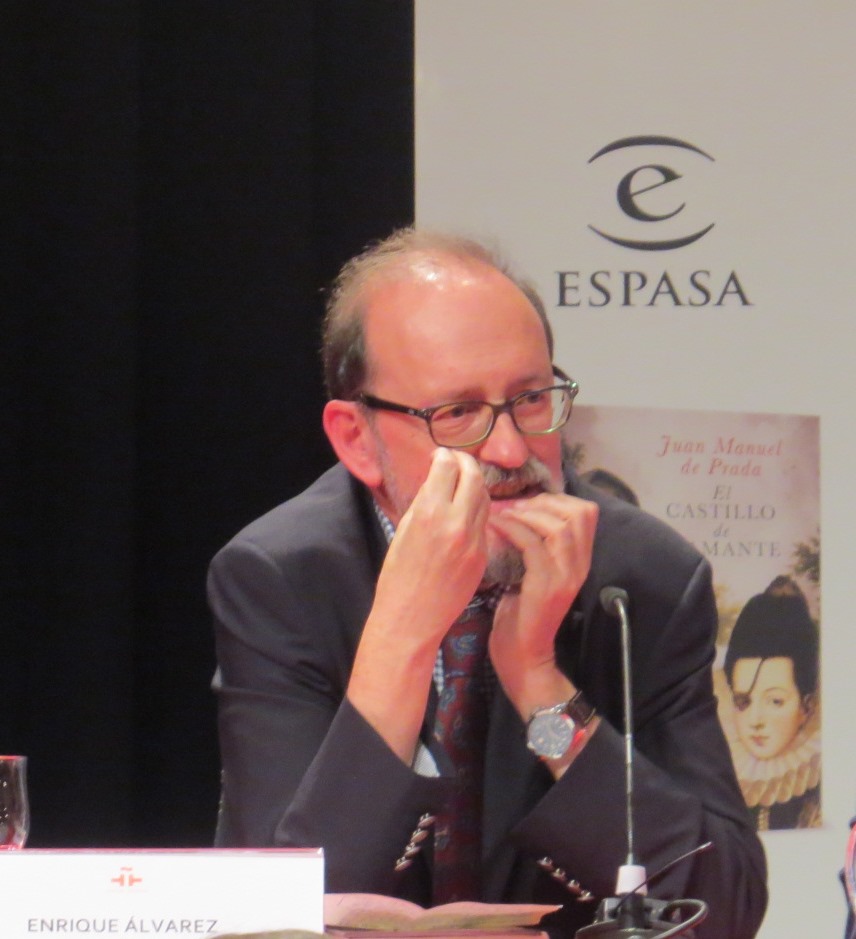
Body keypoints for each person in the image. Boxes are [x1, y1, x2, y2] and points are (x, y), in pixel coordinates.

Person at [208, 229, 767, 938]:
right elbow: (278, 911)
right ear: (356, 438)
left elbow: (723, 910)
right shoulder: (281, 578)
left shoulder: (643, 581)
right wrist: (402, 640)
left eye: (531, 399)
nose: (510, 448)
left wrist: (540, 683)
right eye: (457, 413)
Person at [722, 576, 821, 830]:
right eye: (743, 701)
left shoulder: (822, 786)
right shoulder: (719, 778)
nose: (755, 720)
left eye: (775, 701)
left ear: (807, 706)